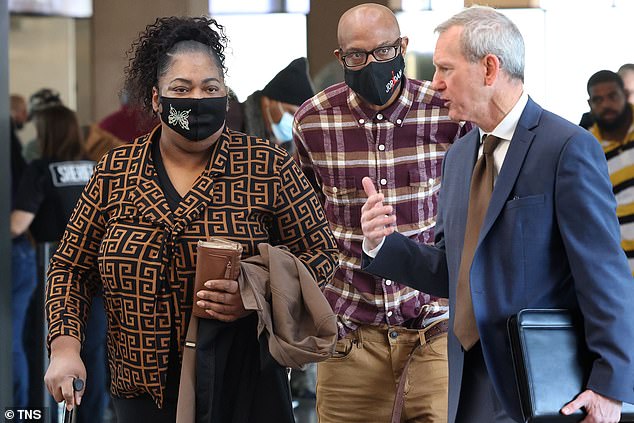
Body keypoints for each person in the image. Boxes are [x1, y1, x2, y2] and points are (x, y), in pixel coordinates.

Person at [43, 16, 338, 423]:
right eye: (181, 89)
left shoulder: (266, 166)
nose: (197, 98)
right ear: (155, 98)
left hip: (244, 387)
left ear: (226, 94)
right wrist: (65, 347)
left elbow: (322, 253)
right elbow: (69, 267)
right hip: (141, 390)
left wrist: (256, 294)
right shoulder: (116, 171)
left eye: (210, 88)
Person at [360, 6, 634, 423]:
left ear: (489, 68)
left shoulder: (566, 148)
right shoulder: (457, 158)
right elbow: (454, 269)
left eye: (445, 69)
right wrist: (382, 245)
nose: (435, 84)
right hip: (467, 385)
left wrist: (610, 386)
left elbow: (603, 274)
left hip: (546, 386)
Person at [293, 4, 472, 422]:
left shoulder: (445, 113)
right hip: (350, 339)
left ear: (402, 47)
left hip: (433, 332)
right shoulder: (313, 121)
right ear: (341, 58)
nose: (369, 64)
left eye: (382, 52)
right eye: (356, 55)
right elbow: (305, 224)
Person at [10, 104, 107, 423]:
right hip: (98, 270)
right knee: (92, 353)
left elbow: (17, 224)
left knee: (44, 349)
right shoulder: (96, 167)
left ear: (46, 133)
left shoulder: (40, 168)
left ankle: (35, 414)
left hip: (57, 272)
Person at [586, 70, 634, 273]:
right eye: (598, 100)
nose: (606, 105)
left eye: (612, 96)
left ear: (624, 94)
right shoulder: (586, 147)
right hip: (622, 266)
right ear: (590, 104)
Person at [8, 93, 38, 410]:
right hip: (20, 254)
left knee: (12, 340)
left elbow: (18, 220)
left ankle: (19, 412)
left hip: (15, 252)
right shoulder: (13, 145)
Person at [231, 57, 314, 156]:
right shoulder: (229, 121)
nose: (294, 123)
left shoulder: (287, 156)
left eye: (300, 119)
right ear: (267, 102)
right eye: (291, 113)